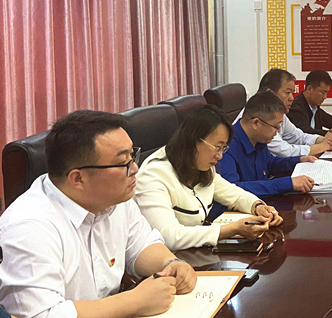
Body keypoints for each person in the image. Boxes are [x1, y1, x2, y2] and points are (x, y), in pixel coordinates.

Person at [0, 110, 197, 317]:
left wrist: (170, 264)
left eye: (133, 156)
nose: (135, 168)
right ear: (78, 178)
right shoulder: (30, 227)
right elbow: (42, 314)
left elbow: (141, 244)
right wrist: (134, 301)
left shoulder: (113, 197)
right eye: (123, 163)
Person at [134, 105, 283, 251]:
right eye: (217, 147)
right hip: (167, 259)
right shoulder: (153, 175)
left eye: (223, 148)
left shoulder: (201, 163)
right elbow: (170, 236)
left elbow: (234, 194)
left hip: (196, 253)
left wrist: (258, 207)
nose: (220, 156)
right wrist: (231, 229)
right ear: (194, 141)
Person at [217, 91, 318, 196]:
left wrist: (298, 160)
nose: (278, 131)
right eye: (276, 126)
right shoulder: (225, 147)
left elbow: (269, 164)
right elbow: (232, 189)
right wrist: (287, 183)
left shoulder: (258, 138)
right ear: (256, 123)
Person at [244, 68, 332, 157]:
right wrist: (322, 146)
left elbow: (299, 137)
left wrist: (325, 140)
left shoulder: (280, 114)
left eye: (292, 93)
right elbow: (284, 150)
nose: (292, 98)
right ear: (270, 93)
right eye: (287, 92)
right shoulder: (259, 114)